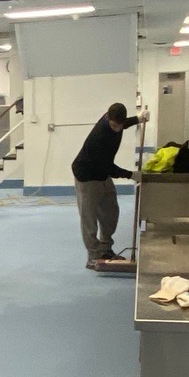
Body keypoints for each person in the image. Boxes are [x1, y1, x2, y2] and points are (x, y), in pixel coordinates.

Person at [71, 102, 142, 269]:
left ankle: (106, 248)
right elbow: (107, 166)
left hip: (102, 174)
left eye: (120, 125)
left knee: (111, 212)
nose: (117, 128)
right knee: (89, 218)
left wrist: (138, 119)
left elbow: (123, 125)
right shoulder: (100, 135)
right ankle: (93, 256)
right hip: (87, 176)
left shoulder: (118, 122)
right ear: (108, 119)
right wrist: (131, 174)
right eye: (113, 125)